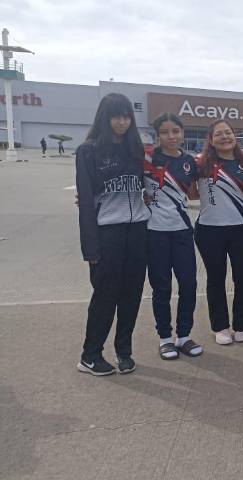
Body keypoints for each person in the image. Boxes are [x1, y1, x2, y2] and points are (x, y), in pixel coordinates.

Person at [75, 93, 151, 376]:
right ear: (104, 118)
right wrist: (90, 249)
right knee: (105, 295)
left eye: (126, 116)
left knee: (132, 294)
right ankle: (90, 355)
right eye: (116, 116)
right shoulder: (89, 151)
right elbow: (85, 202)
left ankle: (124, 351)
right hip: (107, 232)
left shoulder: (136, 149)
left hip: (137, 231)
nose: (122, 122)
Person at [194, 119, 243, 345]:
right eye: (219, 134)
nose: (225, 137)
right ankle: (220, 326)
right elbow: (190, 193)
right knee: (215, 279)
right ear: (211, 140)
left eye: (228, 132)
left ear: (235, 136)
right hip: (209, 231)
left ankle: (242, 325)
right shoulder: (200, 163)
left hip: (242, 229)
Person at [143, 112, 202, 360]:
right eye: (165, 132)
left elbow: (194, 193)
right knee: (162, 287)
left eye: (176, 131)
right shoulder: (147, 158)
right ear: (157, 136)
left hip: (182, 231)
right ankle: (165, 338)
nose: (171, 136)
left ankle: (184, 336)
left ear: (182, 133)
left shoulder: (189, 162)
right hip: (154, 232)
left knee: (188, 284)